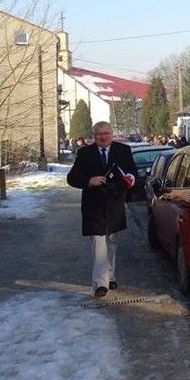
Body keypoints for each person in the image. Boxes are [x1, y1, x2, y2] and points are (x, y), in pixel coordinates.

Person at [66, 121, 138, 298]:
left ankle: (110, 275)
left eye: (106, 133)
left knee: (111, 242)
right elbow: (72, 178)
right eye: (99, 134)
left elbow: (132, 175)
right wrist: (89, 180)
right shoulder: (85, 153)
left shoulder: (123, 151)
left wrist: (119, 186)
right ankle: (100, 283)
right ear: (94, 136)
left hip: (114, 204)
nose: (103, 137)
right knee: (98, 243)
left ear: (112, 134)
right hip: (93, 205)